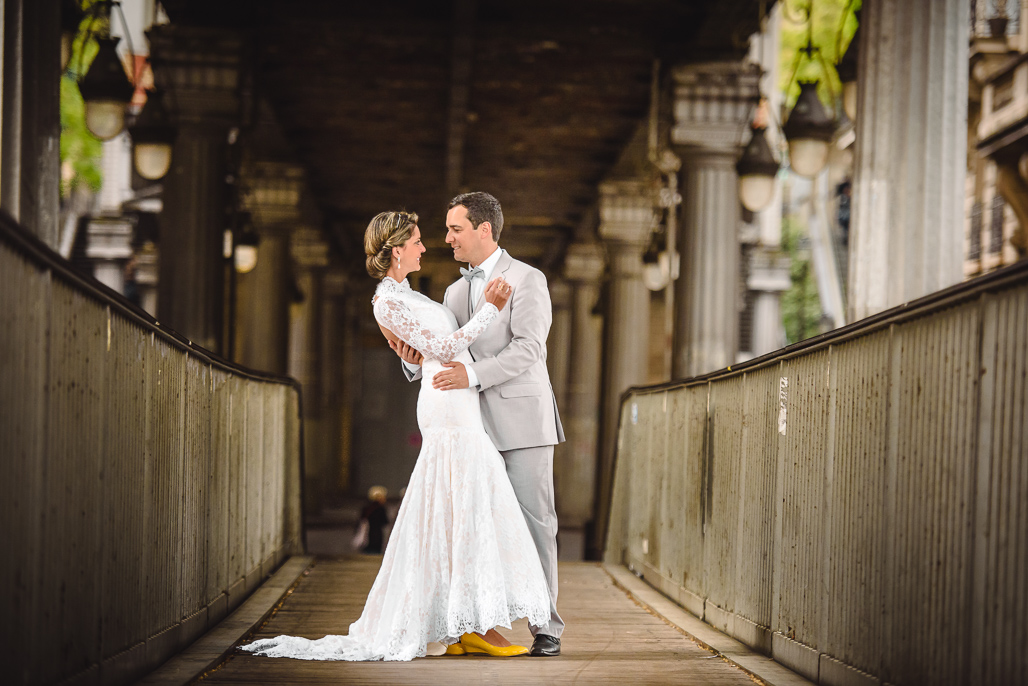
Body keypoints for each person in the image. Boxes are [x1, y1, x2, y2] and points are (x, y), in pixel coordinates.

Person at [239, 211, 550, 661]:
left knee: (463, 507)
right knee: (456, 504)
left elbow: (433, 349)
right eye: (419, 241)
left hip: (458, 400)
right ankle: (473, 625)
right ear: (397, 249)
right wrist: (491, 309)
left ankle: (468, 622)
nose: (427, 247)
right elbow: (444, 349)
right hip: (446, 410)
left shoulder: (407, 295)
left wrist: (419, 355)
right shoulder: (384, 302)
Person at [393, 192, 565, 657]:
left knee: (534, 522)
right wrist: (412, 363)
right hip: (466, 426)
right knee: (470, 525)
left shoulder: (529, 279)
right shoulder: (452, 291)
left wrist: (471, 375)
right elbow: (447, 349)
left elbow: (529, 348)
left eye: (454, 229)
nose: (446, 239)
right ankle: (474, 623)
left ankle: (545, 626)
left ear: (483, 229)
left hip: (522, 420)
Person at [357, 486, 388, 555]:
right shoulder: (381, 508)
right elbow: (385, 521)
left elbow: (361, 519)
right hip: (377, 535)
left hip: (367, 534)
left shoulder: (367, 507)